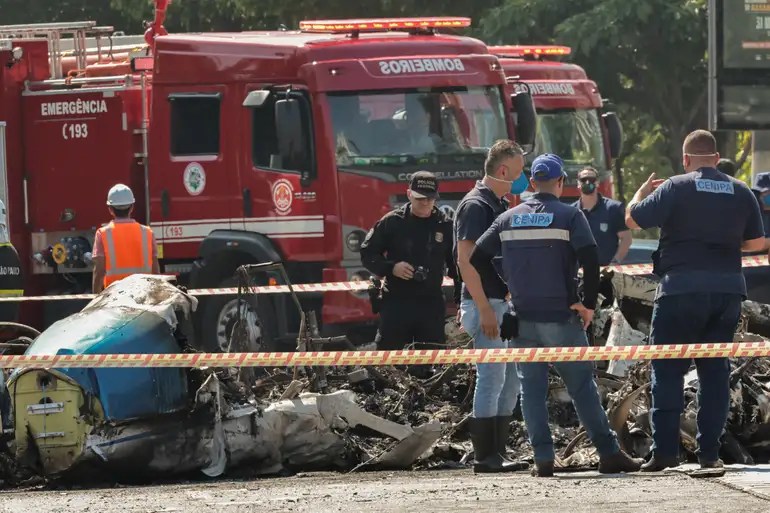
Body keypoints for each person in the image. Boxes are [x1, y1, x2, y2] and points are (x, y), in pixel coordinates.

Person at [470, 153, 643, 477]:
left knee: (531, 391)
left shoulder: (508, 218)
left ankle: (544, 460)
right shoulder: (569, 215)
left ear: (532, 183)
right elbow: (591, 261)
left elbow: (477, 257)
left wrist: (505, 289)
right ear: (562, 183)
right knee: (582, 388)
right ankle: (608, 453)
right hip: (562, 319)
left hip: (522, 320)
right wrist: (588, 304)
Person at [625, 130, 766, 471]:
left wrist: (640, 194)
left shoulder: (675, 186)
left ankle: (664, 454)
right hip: (727, 292)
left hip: (680, 291)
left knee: (667, 370)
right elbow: (757, 243)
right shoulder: (740, 189)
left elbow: (632, 219)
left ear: (686, 160)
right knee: (715, 373)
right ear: (717, 159)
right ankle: (709, 455)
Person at [454, 139, 530, 473]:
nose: (522, 177)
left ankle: (498, 450)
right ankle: (486, 456)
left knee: (509, 379)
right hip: (487, 304)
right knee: (492, 378)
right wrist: (483, 308)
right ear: (503, 170)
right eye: (518, 171)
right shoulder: (476, 206)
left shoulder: (495, 203)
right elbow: (466, 262)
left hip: (499, 303)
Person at [359, 171, 457, 352]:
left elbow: (456, 266)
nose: (425, 203)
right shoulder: (392, 222)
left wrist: (462, 299)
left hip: (431, 302)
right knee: (388, 360)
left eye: (430, 198)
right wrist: (391, 268)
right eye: (420, 198)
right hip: (396, 301)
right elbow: (368, 253)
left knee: (431, 363)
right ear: (409, 194)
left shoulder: (445, 225)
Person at [92, 184, 160, 294]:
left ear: (110, 209)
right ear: (132, 207)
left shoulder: (102, 234)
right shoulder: (147, 233)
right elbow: (156, 271)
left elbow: (99, 271)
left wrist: (95, 298)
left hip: (114, 297)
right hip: (143, 295)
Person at [572, 167, 631, 265]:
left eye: (591, 180)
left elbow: (626, 238)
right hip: (578, 273)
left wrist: (615, 262)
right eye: (583, 180)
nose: (587, 182)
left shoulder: (613, 208)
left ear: (597, 183)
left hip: (606, 274)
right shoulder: (571, 212)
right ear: (578, 184)